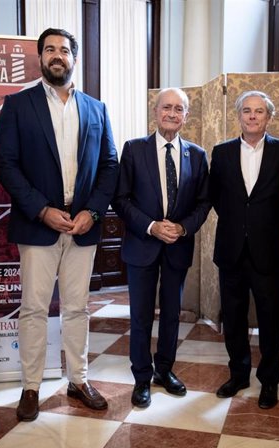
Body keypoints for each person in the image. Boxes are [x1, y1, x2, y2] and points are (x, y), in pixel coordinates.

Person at [0, 28, 119, 420]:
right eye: (49, 50)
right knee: (33, 308)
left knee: (78, 308)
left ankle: (78, 380)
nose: (57, 56)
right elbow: (6, 165)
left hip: (82, 226)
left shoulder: (96, 109)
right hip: (39, 224)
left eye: (64, 50)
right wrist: (41, 210)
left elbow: (110, 166)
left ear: (74, 58)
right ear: (40, 58)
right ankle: (30, 387)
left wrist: (93, 212)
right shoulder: (18, 105)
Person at [113, 88, 211, 408]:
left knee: (171, 314)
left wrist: (182, 228)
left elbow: (203, 201)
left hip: (177, 247)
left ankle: (164, 370)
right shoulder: (133, 149)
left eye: (178, 109)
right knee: (140, 316)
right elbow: (121, 199)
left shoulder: (196, 155)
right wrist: (152, 226)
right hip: (142, 244)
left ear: (187, 116)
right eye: (166, 107)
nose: (171, 113)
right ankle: (142, 377)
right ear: (155, 112)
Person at [209, 91, 279, 409]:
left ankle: (270, 380)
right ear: (239, 115)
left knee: (270, 319)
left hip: (268, 249)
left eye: (258, 111)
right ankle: (238, 375)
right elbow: (217, 197)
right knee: (233, 318)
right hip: (231, 249)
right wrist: (240, 223)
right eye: (246, 110)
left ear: (268, 117)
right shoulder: (220, 153)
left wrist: (266, 226)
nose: (252, 116)